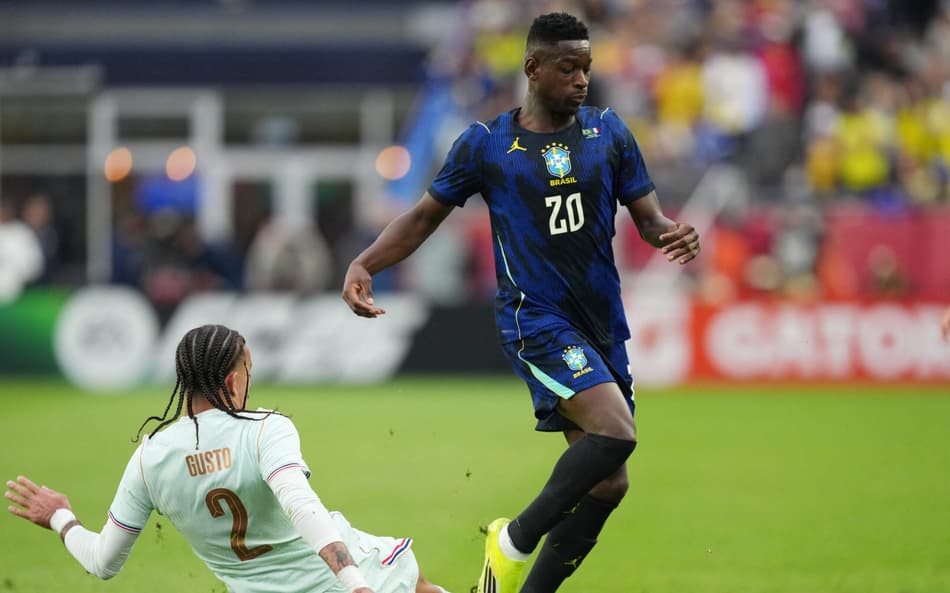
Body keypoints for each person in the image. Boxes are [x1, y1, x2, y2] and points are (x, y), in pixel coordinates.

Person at [342, 12, 700, 593]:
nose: (582, 80)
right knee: (617, 432)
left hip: (601, 322)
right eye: (568, 68)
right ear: (532, 68)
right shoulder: (486, 145)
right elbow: (422, 219)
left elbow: (649, 218)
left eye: (586, 67)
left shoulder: (609, 133)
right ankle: (511, 541)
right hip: (535, 319)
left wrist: (671, 233)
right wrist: (365, 263)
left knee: (609, 483)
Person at [5, 324, 450, 593]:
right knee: (418, 584)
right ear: (235, 379)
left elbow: (103, 562)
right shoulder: (264, 428)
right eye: (248, 371)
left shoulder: (149, 459)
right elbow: (300, 504)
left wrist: (60, 517)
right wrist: (355, 584)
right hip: (339, 577)